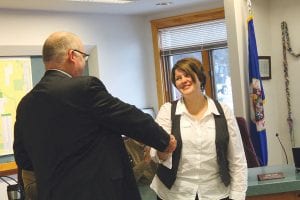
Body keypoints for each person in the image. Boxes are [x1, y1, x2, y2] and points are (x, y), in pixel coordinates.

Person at [13, 31, 177, 200]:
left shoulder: (26, 104)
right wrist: (163, 140)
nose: (84, 63)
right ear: (72, 55)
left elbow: (23, 158)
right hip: (99, 192)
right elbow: (128, 117)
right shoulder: (84, 87)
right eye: (84, 56)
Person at [150, 58, 247, 200]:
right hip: (174, 194)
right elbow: (156, 154)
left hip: (215, 193)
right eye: (178, 78)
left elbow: (237, 159)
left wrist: (237, 196)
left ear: (200, 77)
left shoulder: (223, 111)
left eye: (187, 74)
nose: (183, 80)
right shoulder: (167, 111)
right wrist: (163, 151)